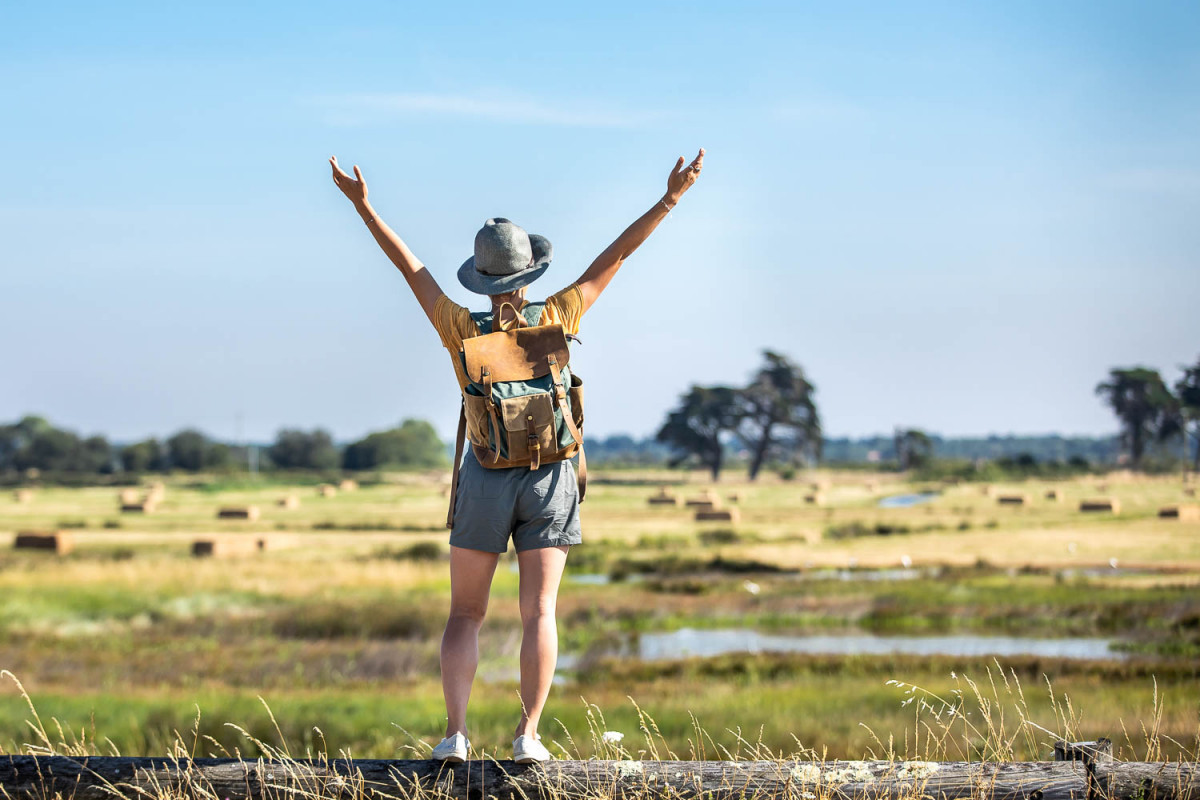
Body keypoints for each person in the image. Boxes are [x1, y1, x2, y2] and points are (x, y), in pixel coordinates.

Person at [329, 148, 705, 764]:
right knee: (539, 613)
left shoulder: (460, 328)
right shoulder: (559, 313)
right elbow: (616, 257)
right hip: (551, 476)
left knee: (465, 614)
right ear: (528, 273)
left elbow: (410, 268)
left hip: (484, 477)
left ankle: (455, 735)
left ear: (479, 278)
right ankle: (528, 735)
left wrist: (363, 205)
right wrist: (670, 198)